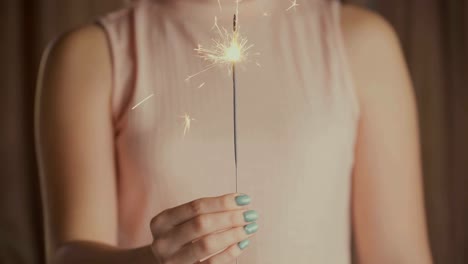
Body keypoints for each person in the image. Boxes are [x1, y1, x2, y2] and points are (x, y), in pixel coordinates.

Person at [35, 0, 433, 263]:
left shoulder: (361, 42)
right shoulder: (91, 53)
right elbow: (70, 254)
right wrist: (152, 260)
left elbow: (399, 254)